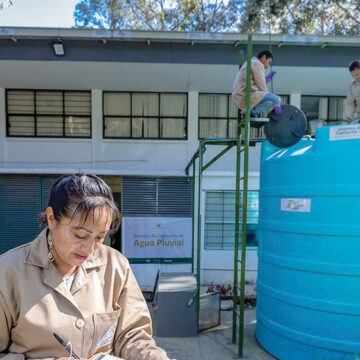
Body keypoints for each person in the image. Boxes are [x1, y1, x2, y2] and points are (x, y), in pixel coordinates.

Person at [0, 173, 172, 360]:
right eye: (80, 235)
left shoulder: (115, 266)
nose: (90, 249)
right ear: (51, 219)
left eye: (100, 237)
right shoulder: (8, 272)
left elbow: (133, 336)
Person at [232, 49, 282, 118]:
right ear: (264, 57)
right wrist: (277, 104)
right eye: (269, 62)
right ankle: (253, 112)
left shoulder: (251, 62)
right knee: (276, 100)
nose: (268, 66)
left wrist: (267, 79)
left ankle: (252, 112)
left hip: (241, 95)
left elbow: (257, 82)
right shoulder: (257, 63)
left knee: (270, 101)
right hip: (245, 94)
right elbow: (262, 86)